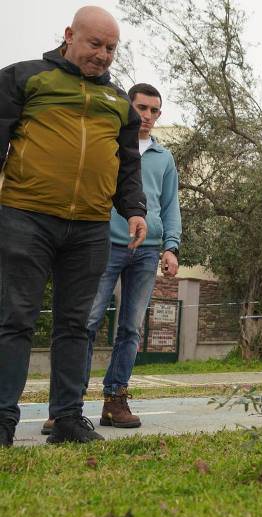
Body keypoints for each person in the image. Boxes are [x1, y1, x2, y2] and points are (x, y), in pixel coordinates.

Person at [0, 6, 147, 446]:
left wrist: (134, 208)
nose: (102, 55)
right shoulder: (25, 77)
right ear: (69, 35)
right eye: (95, 44)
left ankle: (67, 419)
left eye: (111, 48)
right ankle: (2, 420)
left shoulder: (120, 101)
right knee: (15, 319)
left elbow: (127, 164)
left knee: (77, 325)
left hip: (89, 226)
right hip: (26, 215)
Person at [40, 83, 181, 434]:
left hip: (147, 251)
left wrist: (171, 246)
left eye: (153, 110)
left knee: (130, 329)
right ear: (128, 109)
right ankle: (65, 408)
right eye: (141, 109)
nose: (147, 116)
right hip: (104, 245)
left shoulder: (164, 158)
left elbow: (170, 205)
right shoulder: (111, 145)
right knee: (84, 324)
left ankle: (115, 400)